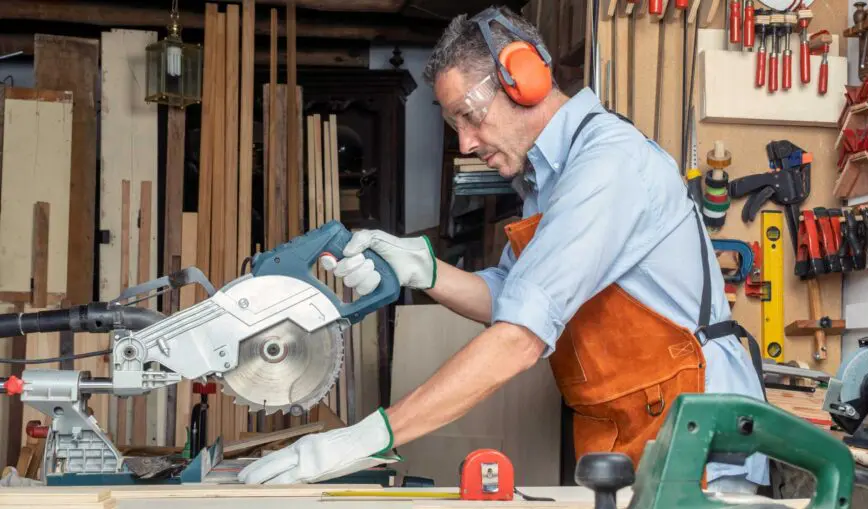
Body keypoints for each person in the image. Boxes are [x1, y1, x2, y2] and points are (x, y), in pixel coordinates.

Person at [239, 5, 768, 493]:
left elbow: (519, 337)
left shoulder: (607, 166)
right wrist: (422, 270)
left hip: (698, 429)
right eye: (454, 124)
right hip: (632, 424)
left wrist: (364, 437)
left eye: (469, 114)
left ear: (526, 78)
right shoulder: (545, 181)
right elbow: (511, 298)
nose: (465, 143)